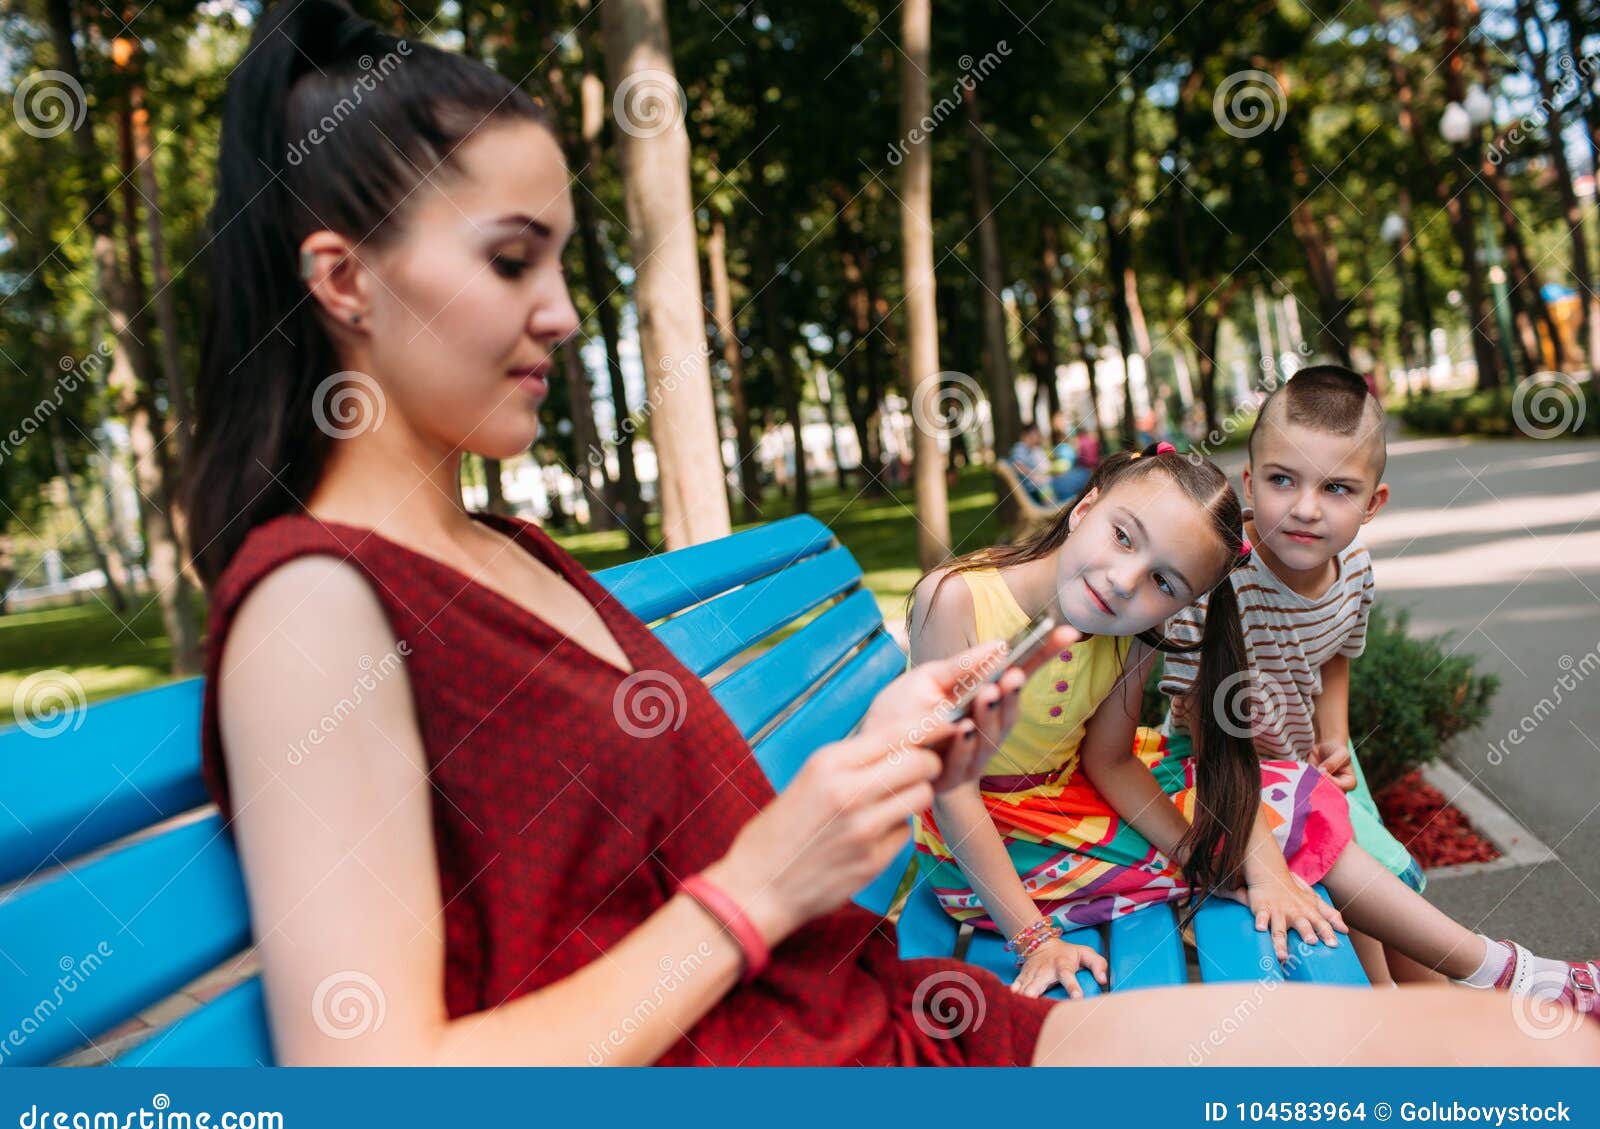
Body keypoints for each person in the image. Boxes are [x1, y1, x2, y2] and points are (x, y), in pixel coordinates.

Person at [180, 0, 1596, 1066]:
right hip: (832, 1064)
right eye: (510, 259)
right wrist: (758, 887)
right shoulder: (315, 605)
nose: (562, 311)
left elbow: (688, 859)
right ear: (342, 280)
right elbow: (368, 1103)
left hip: (885, 1019)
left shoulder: (515, 552)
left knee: (1526, 1058)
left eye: (564, 256)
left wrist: (883, 776)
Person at [907, 444, 1600, 1021]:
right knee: (1286, 829)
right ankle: (1501, 980)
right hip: (986, 844)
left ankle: (1503, 972)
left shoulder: (1131, 636)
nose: (1123, 581)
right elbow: (950, 788)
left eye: (1162, 582)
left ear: (1181, 605)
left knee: (1290, 787)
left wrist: (1212, 858)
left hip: (1066, 802)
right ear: (1085, 506)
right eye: (1122, 535)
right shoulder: (961, 599)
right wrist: (1034, 938)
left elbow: (1111, 761)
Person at [1162, 365, 1599, 1001]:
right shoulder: (1218, 580)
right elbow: (1200, 726)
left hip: (1308, 757)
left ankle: (1438, 1017)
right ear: (1249, 483)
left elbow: (1336, 652)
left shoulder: (1355, 570)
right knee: (1370, 883)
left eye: (1337, 488)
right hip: (1222, 774)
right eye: (1283, 480)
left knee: (1389, 885)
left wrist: (1335, 737)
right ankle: (1459, 1001)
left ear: (1373, 504)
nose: (1306, 508)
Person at [1006, 423, 1056, 507]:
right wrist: (1036, 476)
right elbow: (1018, 466)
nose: (1038, 436)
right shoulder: (1020, 447)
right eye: (1036, 433)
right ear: (1027, 435)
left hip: (1038, 487)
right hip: (1034, 489)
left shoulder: (1028, 450)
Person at [1047, 412, 1091, 503]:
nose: (1066, 423)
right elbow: (1060, 467)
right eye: (1063, 421)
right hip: (1063, 481)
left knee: (1086, 474)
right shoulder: (1062, 447)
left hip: (1068, 477)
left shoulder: (1070, 440)